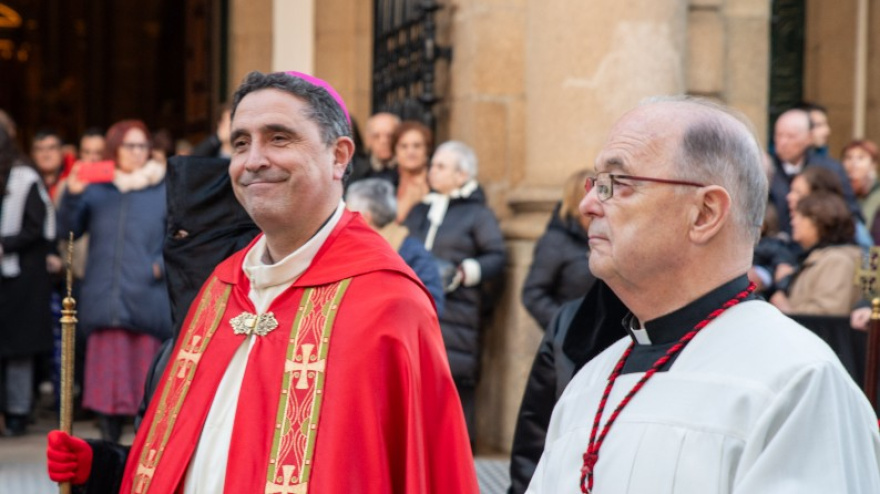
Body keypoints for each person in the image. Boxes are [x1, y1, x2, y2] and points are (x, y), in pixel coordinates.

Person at [47, 71, 478, 493]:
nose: (253, 160)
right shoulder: (220, 289)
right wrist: (103, 468)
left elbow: (422, 470)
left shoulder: (387, 300)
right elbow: (199, 455)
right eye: (240, 143)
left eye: (279, 138)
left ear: (340, 156)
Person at [525, 96, 880, 494]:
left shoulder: (798, 383)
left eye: (618, 183)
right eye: (596, 183)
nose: (589, 204)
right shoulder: (591, 380)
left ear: (706, 213)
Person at [58, 120, 171, 443]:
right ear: (114, 149)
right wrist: (72, 196)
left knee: (145, 388)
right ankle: (109, 452)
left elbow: (181, 238)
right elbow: (67, 232)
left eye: (142, 145)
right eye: (129, 146)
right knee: (105, 387)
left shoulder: (163, 188)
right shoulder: (96, 189)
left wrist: (158, 267)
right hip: (104, 297)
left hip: (145, 297)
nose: (137, 152)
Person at [404, 140, 506, 446]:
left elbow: (496, 256)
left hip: (457, 311)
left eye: (441, 166)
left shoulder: (478, 214)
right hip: (418, 306)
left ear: (462, 175)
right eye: (433, 165)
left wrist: (463, 272)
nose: (432, 171)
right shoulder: (422, 208)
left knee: (452, 384)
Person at [0, 125, 55, 437]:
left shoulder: (25, 179)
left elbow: (37, 227)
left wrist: (5, 244)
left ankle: (18, 412)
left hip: (21, 278)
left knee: (18, 349)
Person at [346, 177, 445, 314]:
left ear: (365, 218)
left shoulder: (412, 253)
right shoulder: (350, 250)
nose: (344, 220)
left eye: (349, 213)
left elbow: (432, 305)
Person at [522, 169, 596, 330]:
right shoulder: (556, 241)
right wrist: (567, 327)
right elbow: (533, 294)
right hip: (574, 341)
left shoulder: (602, 237)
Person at [768, 108, 859, 235]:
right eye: (778, 135)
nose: (783, 142)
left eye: (791, 136)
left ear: (809, 138)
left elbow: (853, 215)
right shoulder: (766, 170)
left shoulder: (830, 170)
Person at [770, 192, 861, 316]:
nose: (793, 223)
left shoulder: (837, 261)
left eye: (797, 217)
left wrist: (784, 308)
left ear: (816, 221)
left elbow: (827, 314)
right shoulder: (821, 256)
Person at [394, 120, 433, 222]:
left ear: (427, 150)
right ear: (395, 151)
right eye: (404, 146)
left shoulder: (437, 182)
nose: (410, 152)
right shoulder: (386, 181)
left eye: (417, 146)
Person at [348, 112, 401, 185]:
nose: (383, 141)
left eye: (390, 136)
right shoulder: (355, 171)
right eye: (376, 136)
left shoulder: (407, 170)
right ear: (368, 140)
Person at [841, 139, 880, 229]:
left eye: (861, 158)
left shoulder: (877, 195)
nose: (853, 163)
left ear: (873, 164)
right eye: (848, 158)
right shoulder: (840, 191)